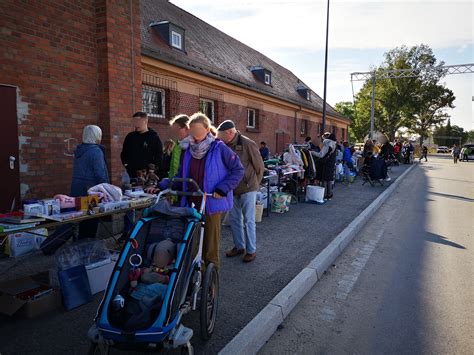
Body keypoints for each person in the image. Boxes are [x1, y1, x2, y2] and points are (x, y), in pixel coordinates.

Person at [159, 113, 244, 272]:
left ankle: (210, 282)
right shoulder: (187, 149)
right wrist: (163, 184)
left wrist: (223, 188)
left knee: (210, 247)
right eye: (192, 131)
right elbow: (180, 176)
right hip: (191, 201)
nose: (195, 135)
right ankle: (193, 278)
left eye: (198, 130)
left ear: (207, 129)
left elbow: (238, 170)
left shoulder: (219, 148)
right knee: (191, 242)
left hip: (211, 201)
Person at [217, 120, 265, 263]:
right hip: (232, 189)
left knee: (249, 220)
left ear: (229, 133)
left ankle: (251, 250)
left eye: (221, 135)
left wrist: (254, 184)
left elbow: (259, 166)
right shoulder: (224, 145)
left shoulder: (248, 143)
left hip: (248, 188)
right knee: (235, 219)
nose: (219, 138)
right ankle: (239, 247)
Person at [71, 125, 109, 238]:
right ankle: (88, 250)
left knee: (81, 220)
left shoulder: (79, 150)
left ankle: (81, 247)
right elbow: (100, 173)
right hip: (92, 192)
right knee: (91, 222)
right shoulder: (96, 151)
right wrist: (107, 189)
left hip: (77, 190)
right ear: (97, 136)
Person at [121, 111, 164, 181]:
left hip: (148, 176)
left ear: (145, 121)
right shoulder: (130, 137)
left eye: (138, 121)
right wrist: (127, 166)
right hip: (132, 175)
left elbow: (159, 156)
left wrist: (152, 170)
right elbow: (124, 154)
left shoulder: (154, 137)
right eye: (134, 121)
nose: (136, 124)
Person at [312, 132, 337, 200]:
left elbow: (321, 155)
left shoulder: (327, 144)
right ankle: (330, 195)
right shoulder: (334, 144)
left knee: (324, 180)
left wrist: (312, 152)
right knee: (329, 179)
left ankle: (324, 195)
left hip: (326, 163)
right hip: (331, 163)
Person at [168, 114, 191, 179]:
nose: (175, 132)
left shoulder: (195, 145)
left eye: (177, 129)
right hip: (175, 184)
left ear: (187, 128)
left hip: (187, 184)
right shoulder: (177, 144)